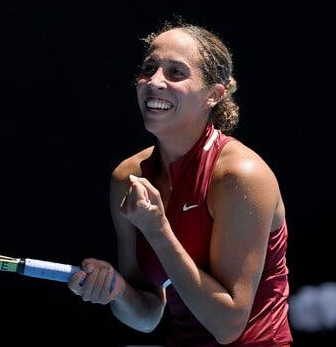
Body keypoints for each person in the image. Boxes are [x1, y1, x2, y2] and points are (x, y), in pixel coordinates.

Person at [68, 21, 292, 346]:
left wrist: (158, 230)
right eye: (149, 68)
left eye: (176, 73)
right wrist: (116, 290)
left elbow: (228, 325)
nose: (154, 82)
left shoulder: (240, 176)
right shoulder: (128, 176)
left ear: (212, 96)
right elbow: (146, 315)